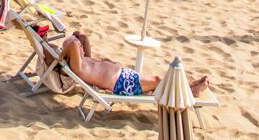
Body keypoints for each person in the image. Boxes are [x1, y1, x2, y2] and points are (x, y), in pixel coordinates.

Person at [56, 32, 215, 96]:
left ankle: (189, 84)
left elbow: (80, 39)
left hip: (124, 76)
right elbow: (73, 43)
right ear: (72, 55)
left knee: (157, 80)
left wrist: (79, 37)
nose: (82, 49)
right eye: (79, 49)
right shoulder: (79, 68)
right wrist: (64, 51)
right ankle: (190, 91)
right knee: (158, 81)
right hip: (122, 84)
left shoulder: (85, 60)